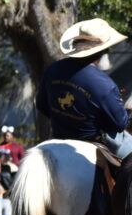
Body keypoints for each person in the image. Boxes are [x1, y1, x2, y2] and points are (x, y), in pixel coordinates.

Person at [37, 18, 131, 157]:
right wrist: (127, 111)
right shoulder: (105, 84)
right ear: (102, 50)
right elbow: (119, 124)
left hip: (57, 138)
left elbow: (42, 106)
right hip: (93, 142)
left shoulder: (53, 69)